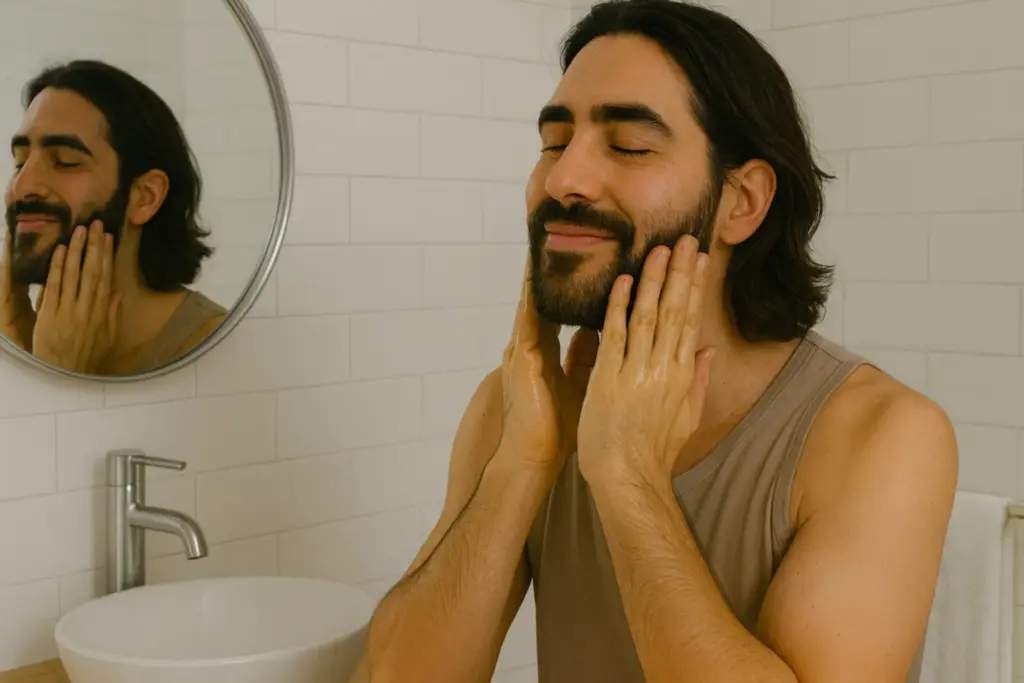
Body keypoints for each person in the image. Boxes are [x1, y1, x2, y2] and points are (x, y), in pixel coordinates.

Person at [355, 2, 958, 682]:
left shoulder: (882, 435)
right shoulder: (518, 408)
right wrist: (521, 463)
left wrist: (628, 475)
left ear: (742, 202)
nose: (562, 179)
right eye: (554, 143)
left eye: (629, 146)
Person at [0, 59, 226, 375]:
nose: (21, 187)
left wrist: (58, 375)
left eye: (65, 161)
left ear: (145, 197)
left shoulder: (216, 351)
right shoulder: (16, 338)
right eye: (20, 163)